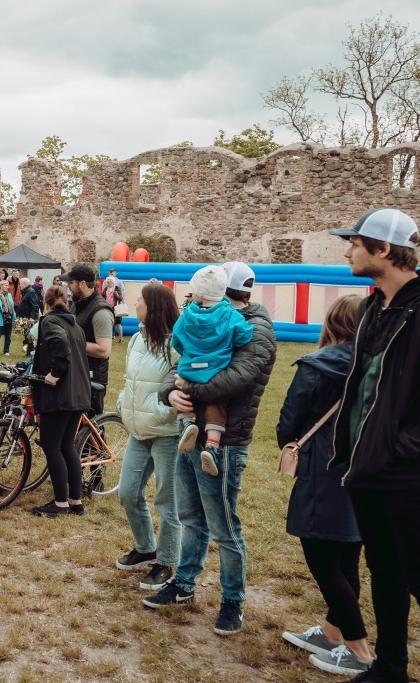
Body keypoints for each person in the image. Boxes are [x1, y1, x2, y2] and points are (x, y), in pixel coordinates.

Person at [328, 209, 420, 683]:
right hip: (367, 472)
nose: (347, 250)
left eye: (354, 242)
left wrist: (396, 449)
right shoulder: (374, 306)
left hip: (410, 478)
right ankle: (390, 668)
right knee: (386, 575)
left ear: (383, 250)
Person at [145, 260, 276, 639]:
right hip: (191, 435)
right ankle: (185, 582)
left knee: (223, 525)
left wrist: (188, 389)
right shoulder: (207, 315)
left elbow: (236, 379)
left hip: (227, 441)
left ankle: (233, 600)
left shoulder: (255, 330)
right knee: (191, 516)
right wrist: (170, 391)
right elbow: (180, 362)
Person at [277, 295, 375, 677]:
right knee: (347, 556)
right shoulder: (379, 367)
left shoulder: (317, 366)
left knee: (323, 561)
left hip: (324, 472)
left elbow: (289, 422)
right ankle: (333, 633)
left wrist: (295, 444)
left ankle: (360, 651)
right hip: (364, 470)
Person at [114, 281, 182, 590]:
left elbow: (180, 388)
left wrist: (162, 412)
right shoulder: (137, 338)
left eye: (139, 300)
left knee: (168, 503)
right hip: (137, 431)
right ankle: (145, 548)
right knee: (128, 492)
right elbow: (131, 380)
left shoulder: (176, 344)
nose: (134, 304)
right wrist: (122, 404)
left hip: (166, 433)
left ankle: (166, 562)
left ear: (152, 307)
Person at [170, 265, 254, 476]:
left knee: (184, 393)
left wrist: (189, 352)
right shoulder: (230, 315)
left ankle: (188, 421)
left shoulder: (187, 314)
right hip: (215, 370)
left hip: (189, 368)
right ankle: (212, 446)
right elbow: (243, 335)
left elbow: (176, 340)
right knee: (216, 404)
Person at [30, 285, 92, 517]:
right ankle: (75, 502)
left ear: (45, 303)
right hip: (78, 393)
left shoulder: (50, 322)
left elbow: (61, 349)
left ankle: (60, 503)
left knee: (52, 446)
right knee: (67, 446)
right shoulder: (74, 324)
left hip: (60, 394)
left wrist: (54, 374)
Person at [61, 264, 114, 416]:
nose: (68, 287)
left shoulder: (100, 311)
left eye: (71, 282)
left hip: (92, 379)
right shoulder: (77, 305)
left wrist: (69, 342)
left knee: (89, 430)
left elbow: (104, 350)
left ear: (82, 283)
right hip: (76, 373)